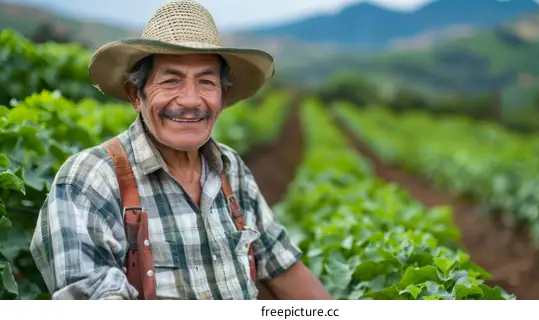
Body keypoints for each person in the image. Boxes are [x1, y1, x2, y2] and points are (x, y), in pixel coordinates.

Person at [29, 0, 331, 300]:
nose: (190, 100)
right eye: (171, 80)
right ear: (137, 95)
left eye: (206, 82)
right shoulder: (90, 180)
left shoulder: (230, 168)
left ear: (222, 98)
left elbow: (283, 267)